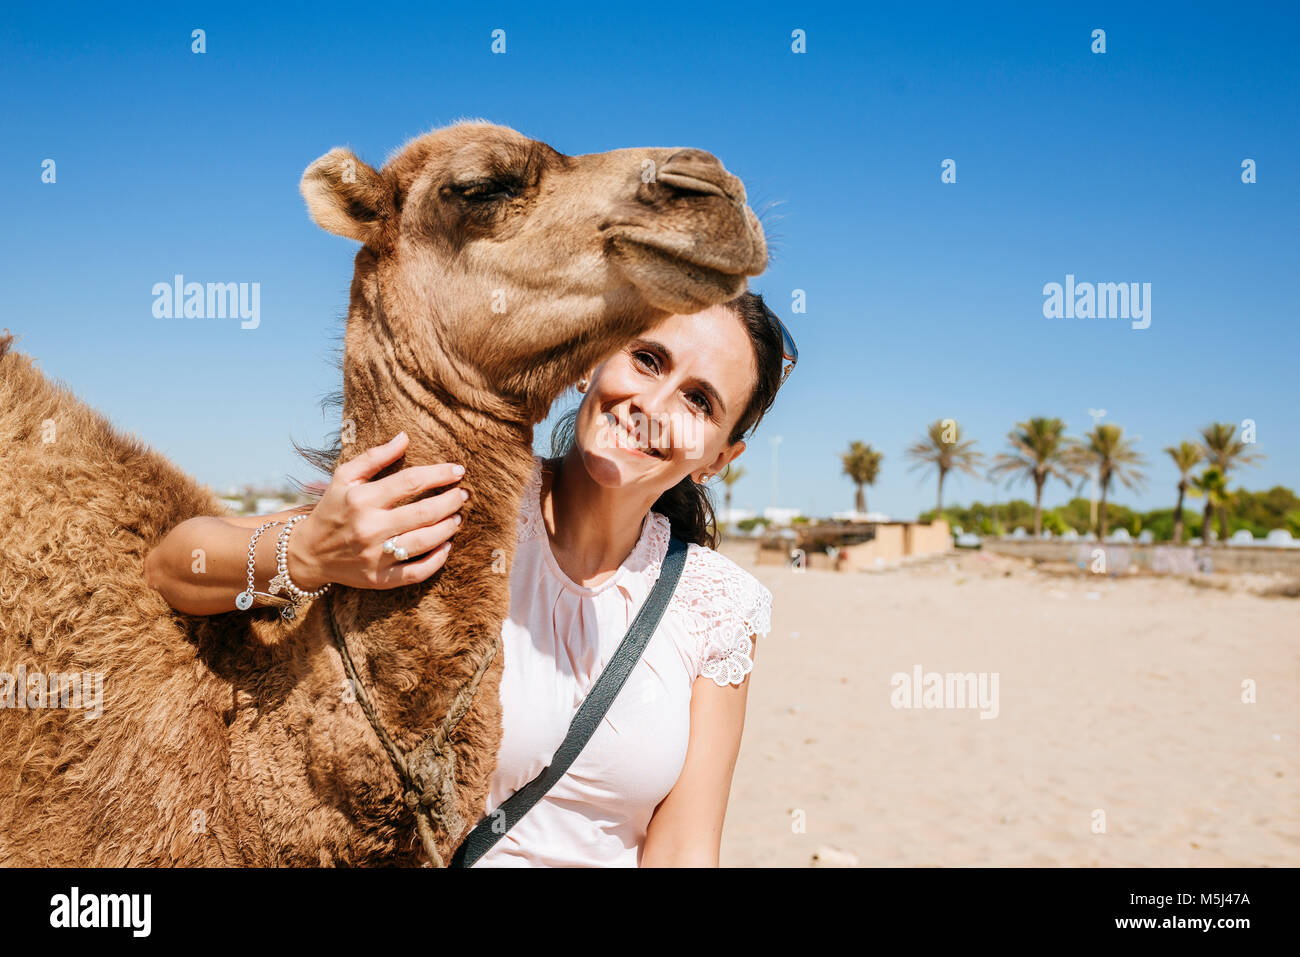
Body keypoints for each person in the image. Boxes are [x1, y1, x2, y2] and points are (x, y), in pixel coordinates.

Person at [144, 290, 796, 866]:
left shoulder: (717, 605)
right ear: (592, 359)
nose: (653, 403)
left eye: (699, 400)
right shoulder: (462, 500)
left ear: (719, 457)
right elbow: (176, 564)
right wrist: (312, 551)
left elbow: (684, 849)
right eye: (647, 359)